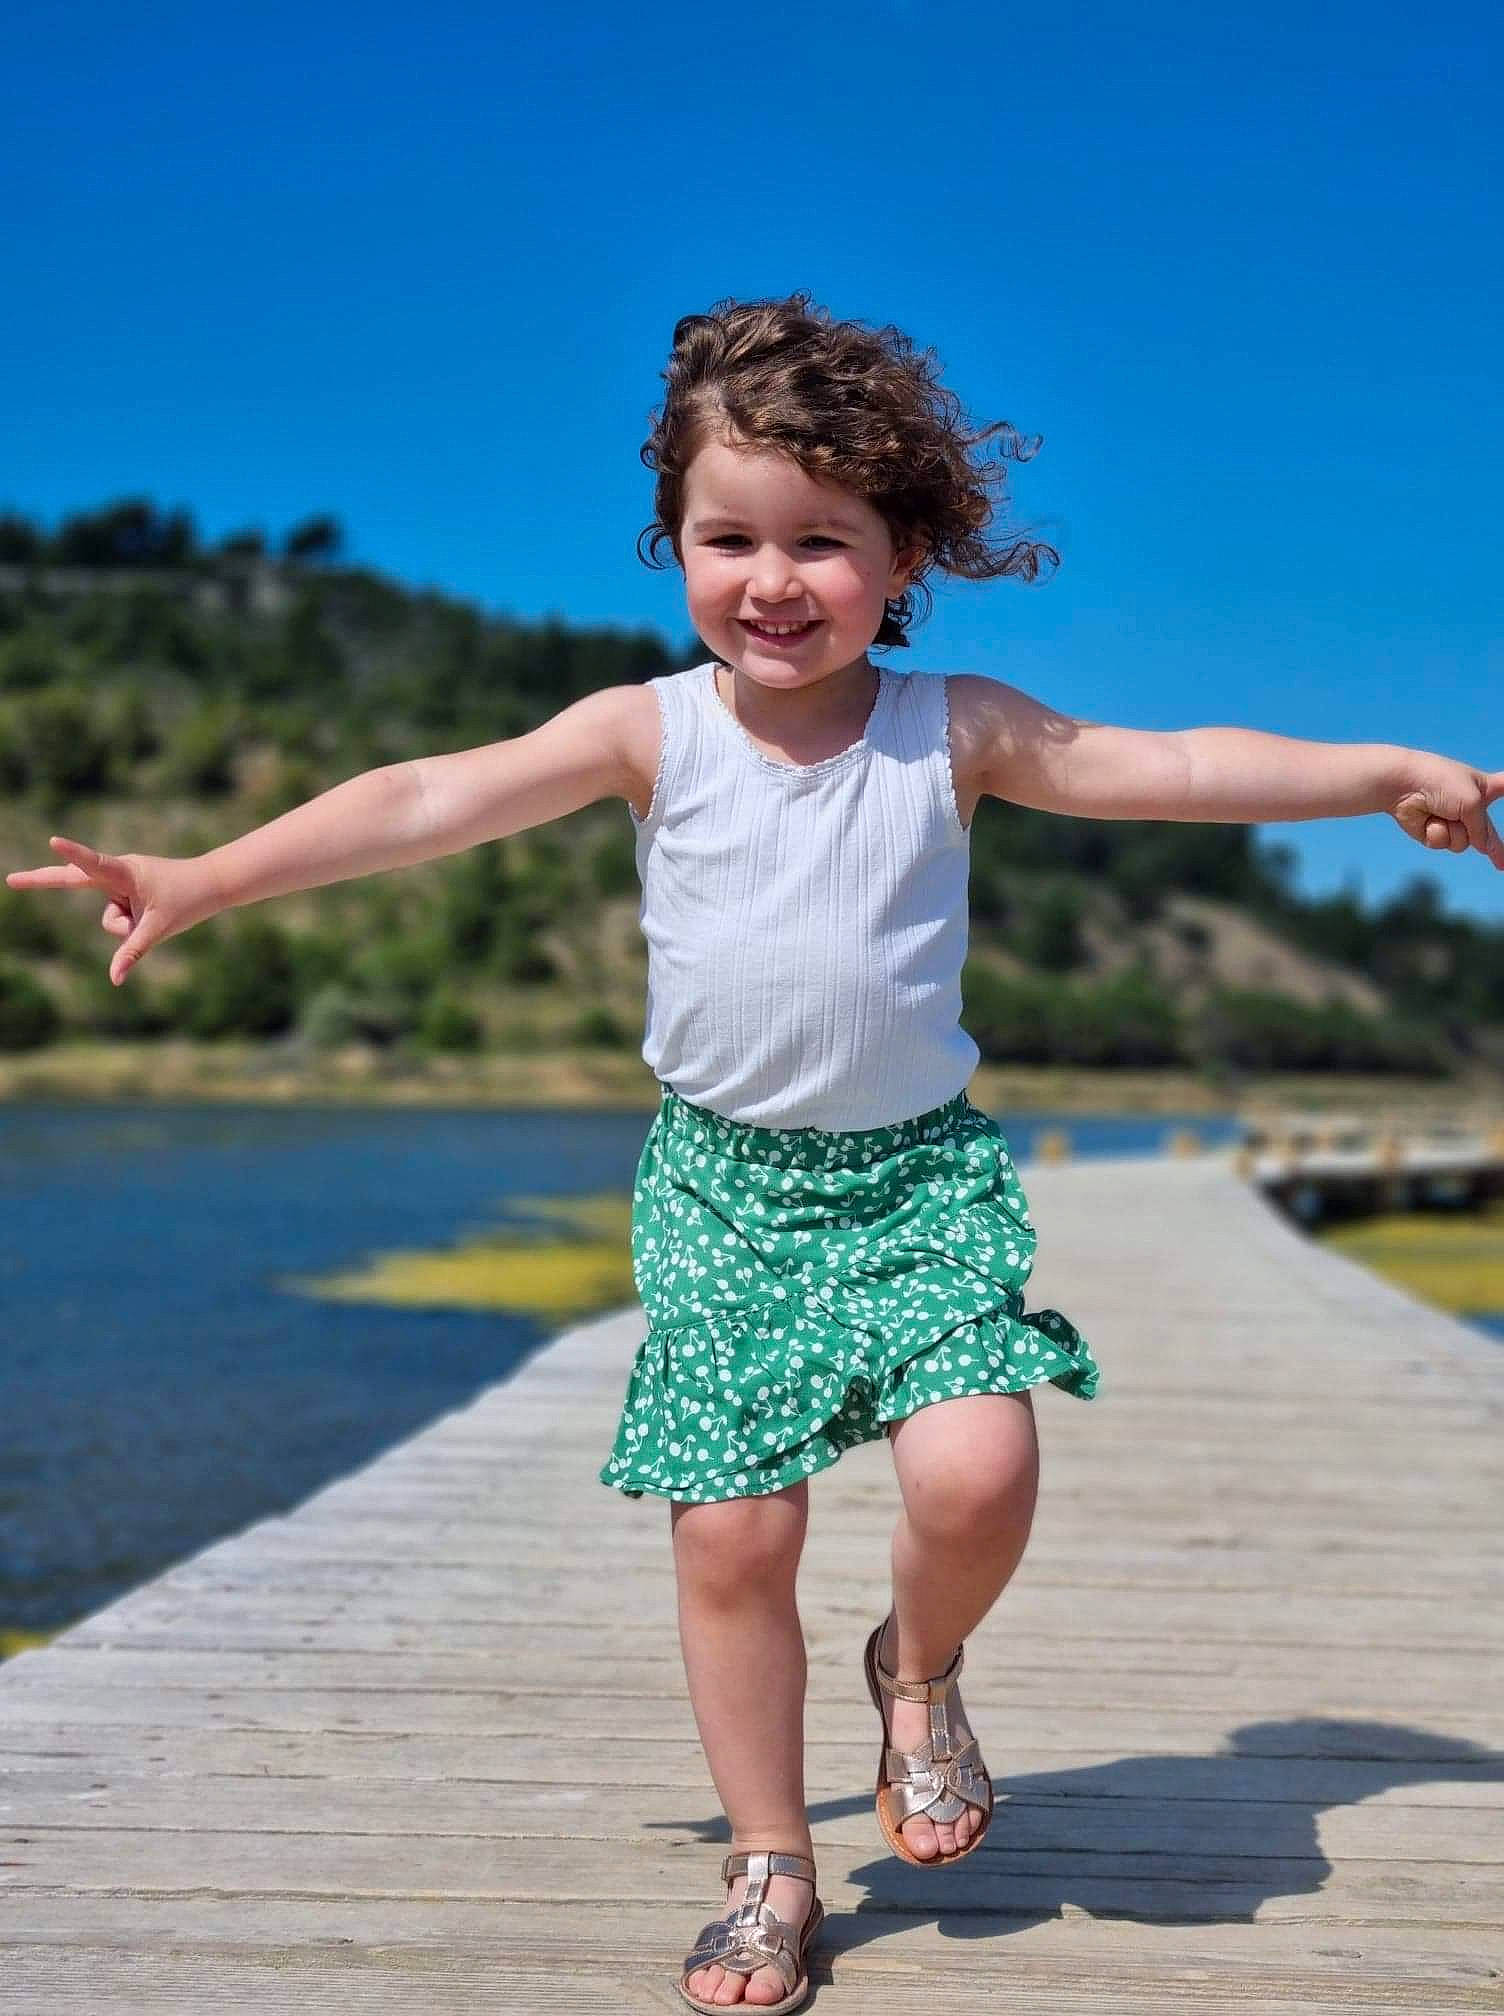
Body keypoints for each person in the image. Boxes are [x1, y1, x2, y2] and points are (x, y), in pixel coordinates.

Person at [7, 292, 1500, 2014]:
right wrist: (206, 876)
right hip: (726, 1189)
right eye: (729, 539)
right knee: (733, 1540)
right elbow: (426, 792)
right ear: (676, 544)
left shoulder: (960, 731)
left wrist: (1391, 764)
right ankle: (772, 1863)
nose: (772, 580)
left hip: (918, 1180)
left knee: (977, 1474)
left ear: (903, 554)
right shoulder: (649, 733)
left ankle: (918, 1670)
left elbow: (1166, 765)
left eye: (823, 542)